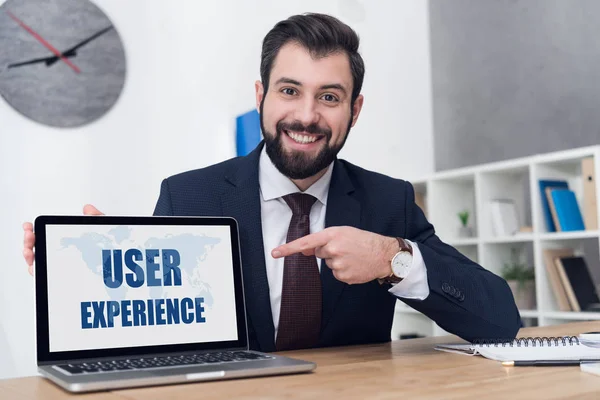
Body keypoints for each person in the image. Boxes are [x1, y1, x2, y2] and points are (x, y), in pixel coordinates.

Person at [23, 13, 521, 352]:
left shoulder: (387, 201)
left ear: (355, 109)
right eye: (289, 91)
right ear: (261, 95)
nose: (306, 116)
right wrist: (93, 276)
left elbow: (499, 320)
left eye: (329, 97)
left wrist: (392, 259)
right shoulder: (188, 197)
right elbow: (154, 336)